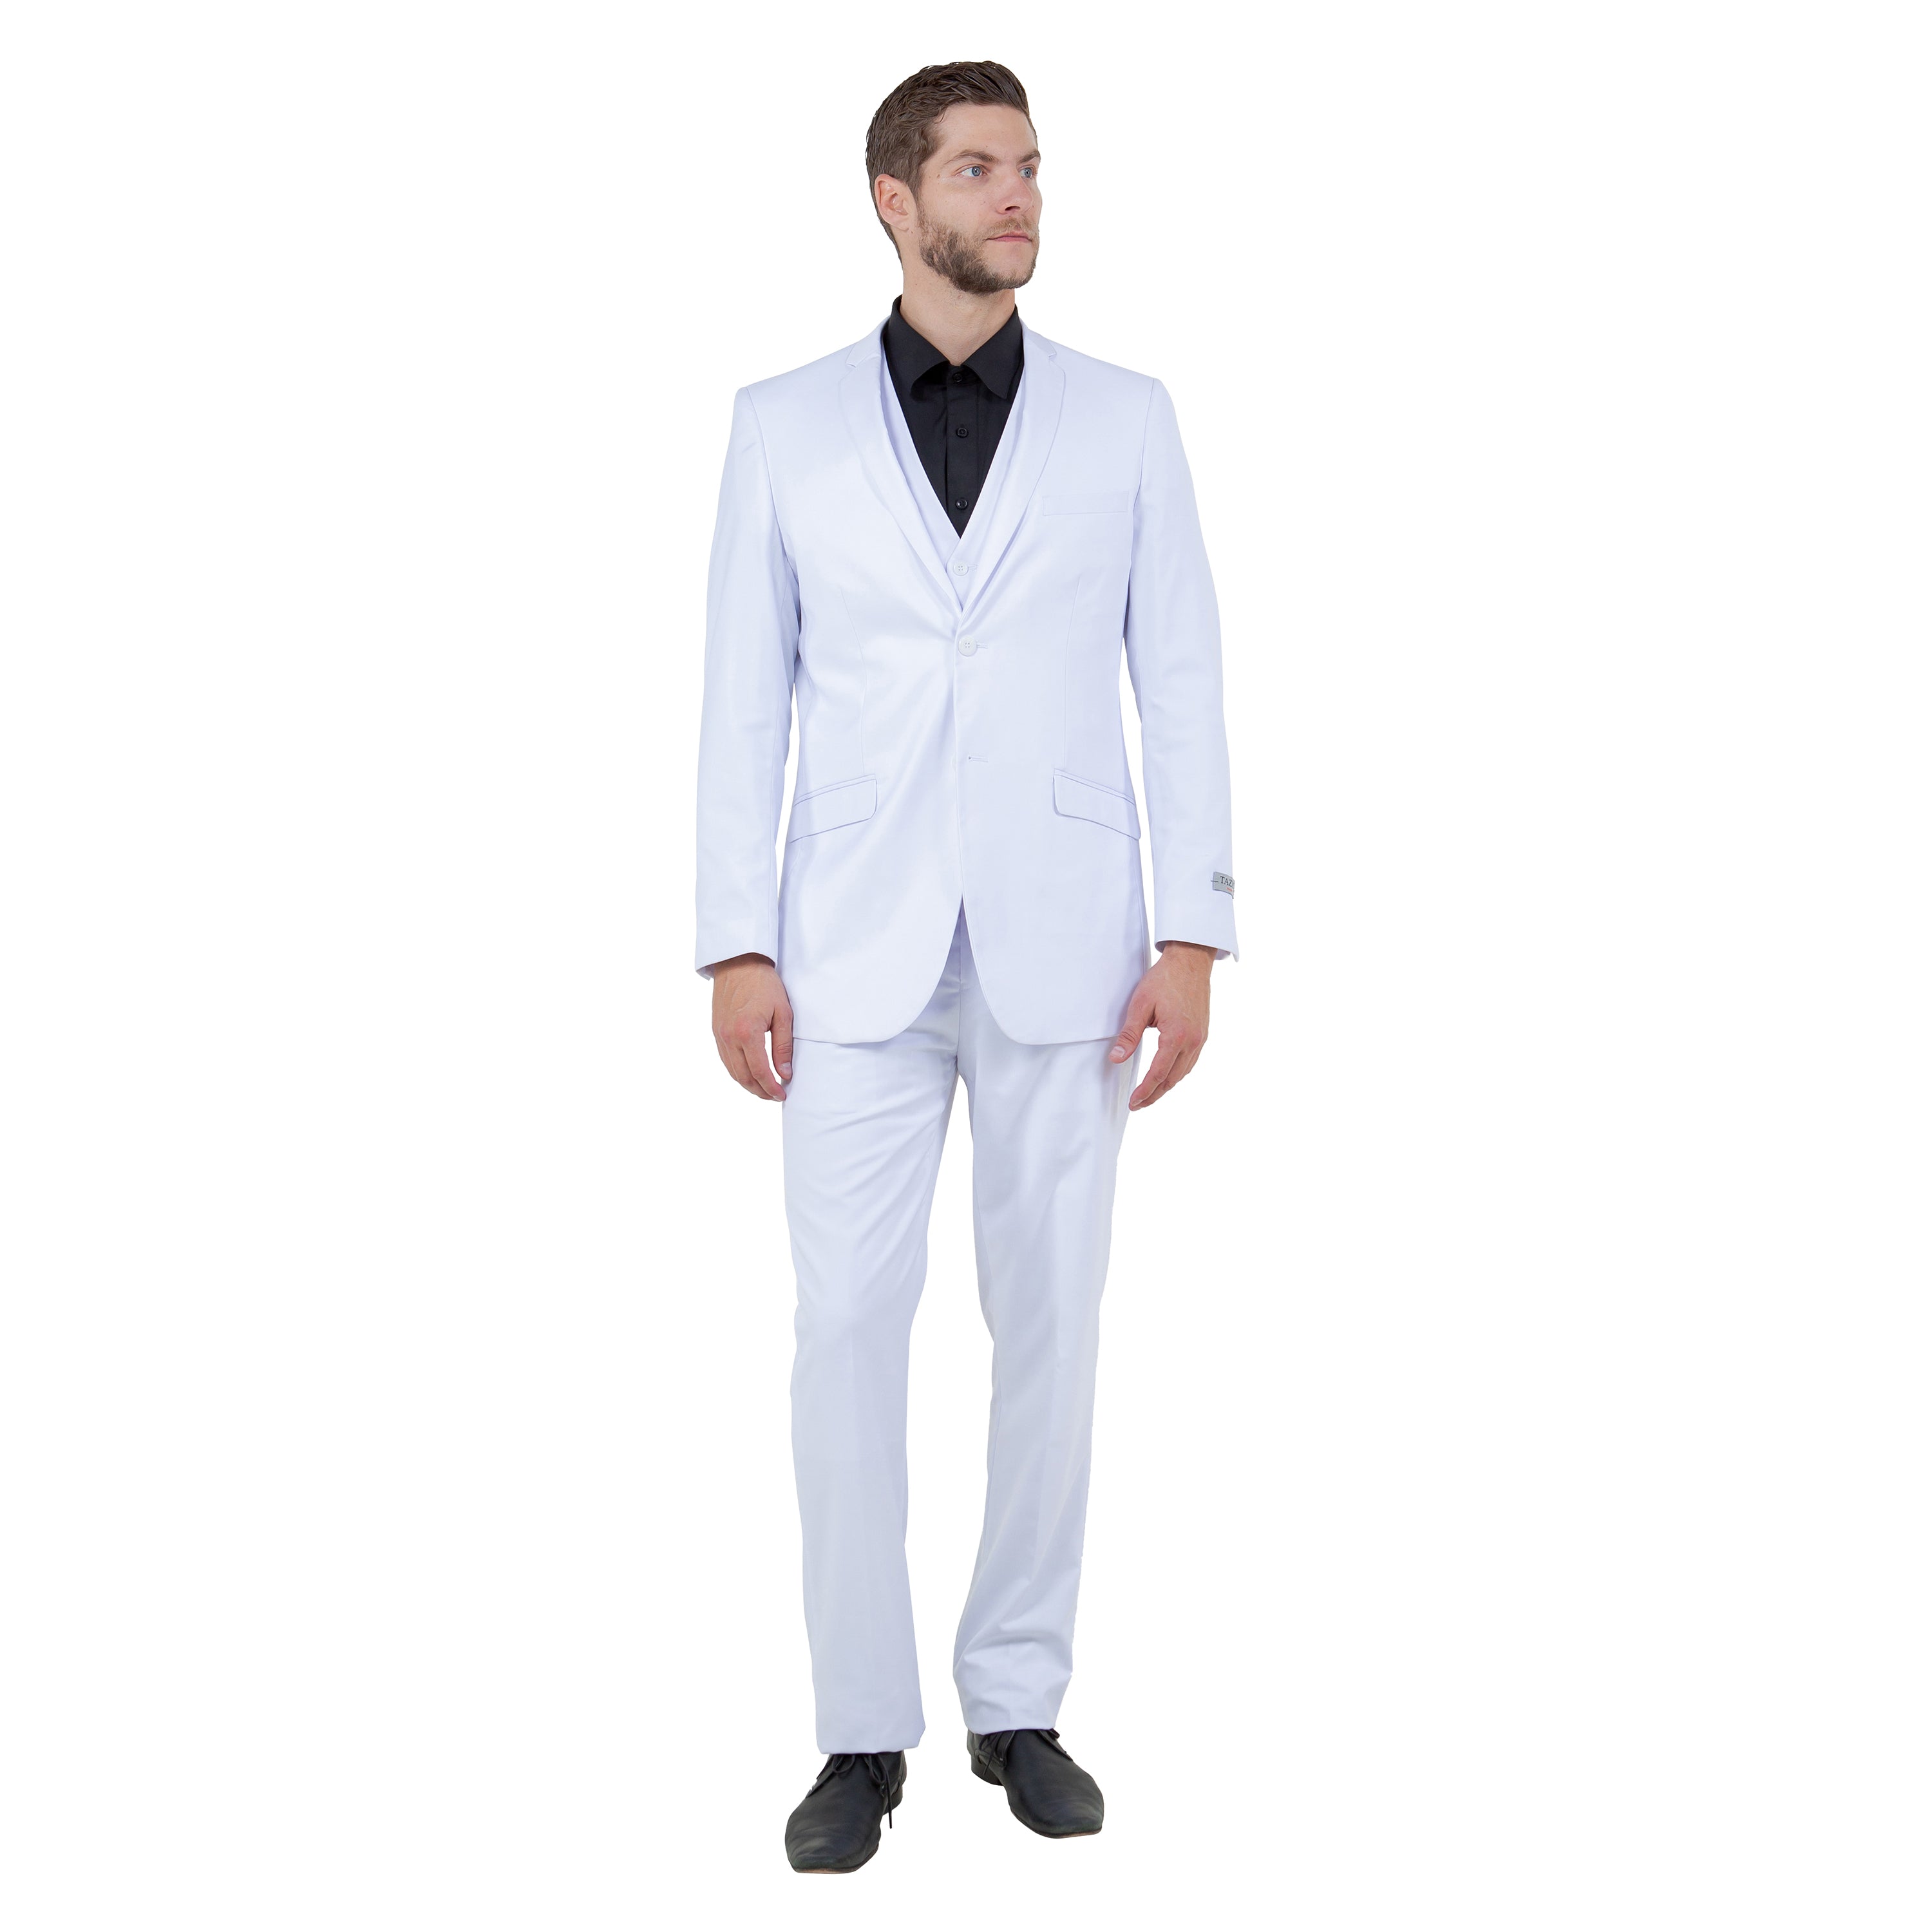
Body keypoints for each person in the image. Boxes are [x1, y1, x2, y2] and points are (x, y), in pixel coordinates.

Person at [694, 59, 1238, 1873]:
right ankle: (862, 1732)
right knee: (845, 1332)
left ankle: (1020, 1701)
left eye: (1031, 167)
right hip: (843, 945)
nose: (1019, 196)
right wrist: (735, 939)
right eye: (981, 168)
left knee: (1053, 1323)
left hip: (1072, 944)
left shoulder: (1127, 419)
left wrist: (1194, 929)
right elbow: (742, 697)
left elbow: (1182, 677)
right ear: (895, 199)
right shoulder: (780, 425)